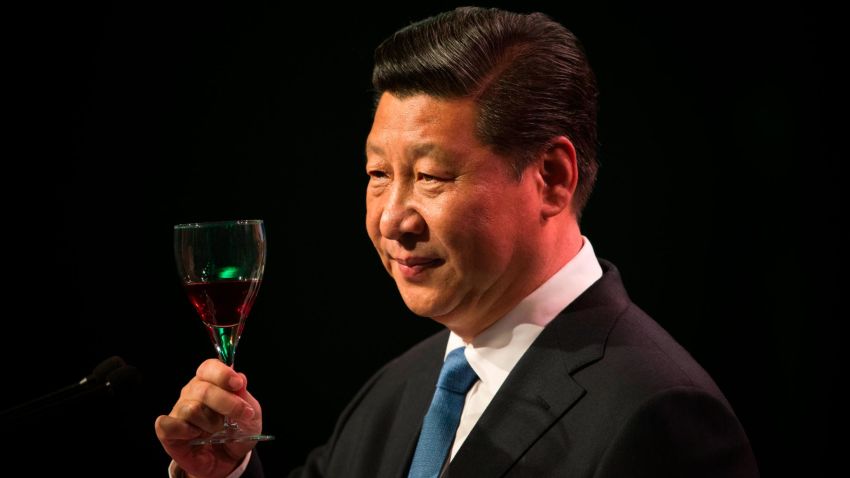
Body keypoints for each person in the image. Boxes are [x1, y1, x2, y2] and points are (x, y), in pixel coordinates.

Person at [156, 7, 759, 478]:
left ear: (551, 177)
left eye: (431, 176)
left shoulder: (660, 415)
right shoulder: (398, 389)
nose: (393, 219)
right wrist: (226, 472)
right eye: (377, 175)